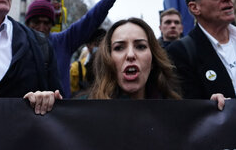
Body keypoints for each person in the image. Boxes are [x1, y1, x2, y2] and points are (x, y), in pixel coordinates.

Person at [25, 0, 154, 97]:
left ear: (52, 24)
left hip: (60, 115)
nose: (41, 27)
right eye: (36, 22)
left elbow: (92, 18)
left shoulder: (63, 42)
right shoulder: (17, 43)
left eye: (46, 23)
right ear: (27, 23)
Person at [24, 18, 182, 114]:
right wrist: (44, 106)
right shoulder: (84, 110)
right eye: (119, 48)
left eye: (140, 46)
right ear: (108, 60)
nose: (130, 55)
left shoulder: (177, 110)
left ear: (153, 60)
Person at [70, 28, 106, 96]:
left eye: (103, 45)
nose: (100, 48)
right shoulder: (75, 69)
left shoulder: (112, 67)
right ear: (88, 46)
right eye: (96, 45)